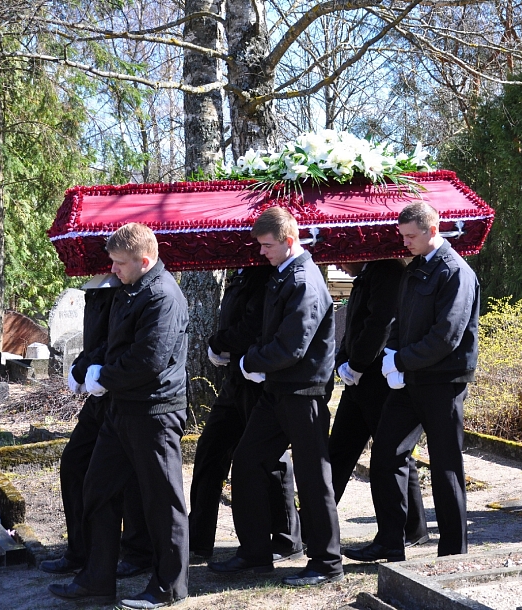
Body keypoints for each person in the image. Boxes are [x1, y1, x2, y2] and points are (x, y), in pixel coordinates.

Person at [49, 223, 190, 609]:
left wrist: (103, 378)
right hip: (122, 409)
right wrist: (88, 368)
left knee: (163, 502)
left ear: (145, 261)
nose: (113, 270)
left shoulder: (162, 296)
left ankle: (168, 587)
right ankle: (97, 579)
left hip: (155, 412)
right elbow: (113, 344)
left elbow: (149, 359)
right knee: (98, 489)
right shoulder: (133, 289)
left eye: (120, 264)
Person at [208, 206, 343, 587]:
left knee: (314, 477)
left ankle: (327, 562)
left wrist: (252, 361)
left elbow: (292, 345)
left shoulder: (303, 280)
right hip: (278, 389)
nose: (262, 252)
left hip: (303, 391)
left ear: (288, 240)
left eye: (267, 245)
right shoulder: (283, 275)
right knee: (249, 460)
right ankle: (255, 553)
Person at [344, 202, 481, 563]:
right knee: (387, 452)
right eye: (402, 235)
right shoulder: (416, 269)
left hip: (443, 381)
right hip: (410, 380)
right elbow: (399, 322)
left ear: (431, 229)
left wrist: (401, 360)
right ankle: (391, 541)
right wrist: (392, 357)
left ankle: (453, 552)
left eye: (410, 236)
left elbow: (447, 336)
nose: (404, 243)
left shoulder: (455, 272)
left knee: (445, 464)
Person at [39, 273, 153, 580]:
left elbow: (125, 342)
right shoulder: (99, 289)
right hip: (101, 394)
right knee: (75, 464)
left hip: (124, 393)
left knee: (129, 477)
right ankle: (82, 549)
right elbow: (98, 339)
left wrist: (96, 370)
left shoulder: (136, 287)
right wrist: (81, 366)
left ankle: (138, 551)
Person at [188, 264, 302, 562]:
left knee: (269, 459)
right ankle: (198, 537)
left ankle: (286, 537)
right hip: (235, 379)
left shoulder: (263, 272)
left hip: (257, 377)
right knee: (210, 450)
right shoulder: (240, 272)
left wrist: (219, 342)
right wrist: (222, 343)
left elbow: (254, 324)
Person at [326, 258, 429, 548]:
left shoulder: (387, 271)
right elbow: (356, 324)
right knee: (339, 452)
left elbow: (380, 323)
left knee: (391, 455)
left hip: (376, 379)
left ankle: (412, 528)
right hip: (358, 379)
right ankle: (315, 525)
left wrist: (356, 363)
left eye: (344, 257)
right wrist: (344, 360)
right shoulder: (368, 273)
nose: (339, 264)